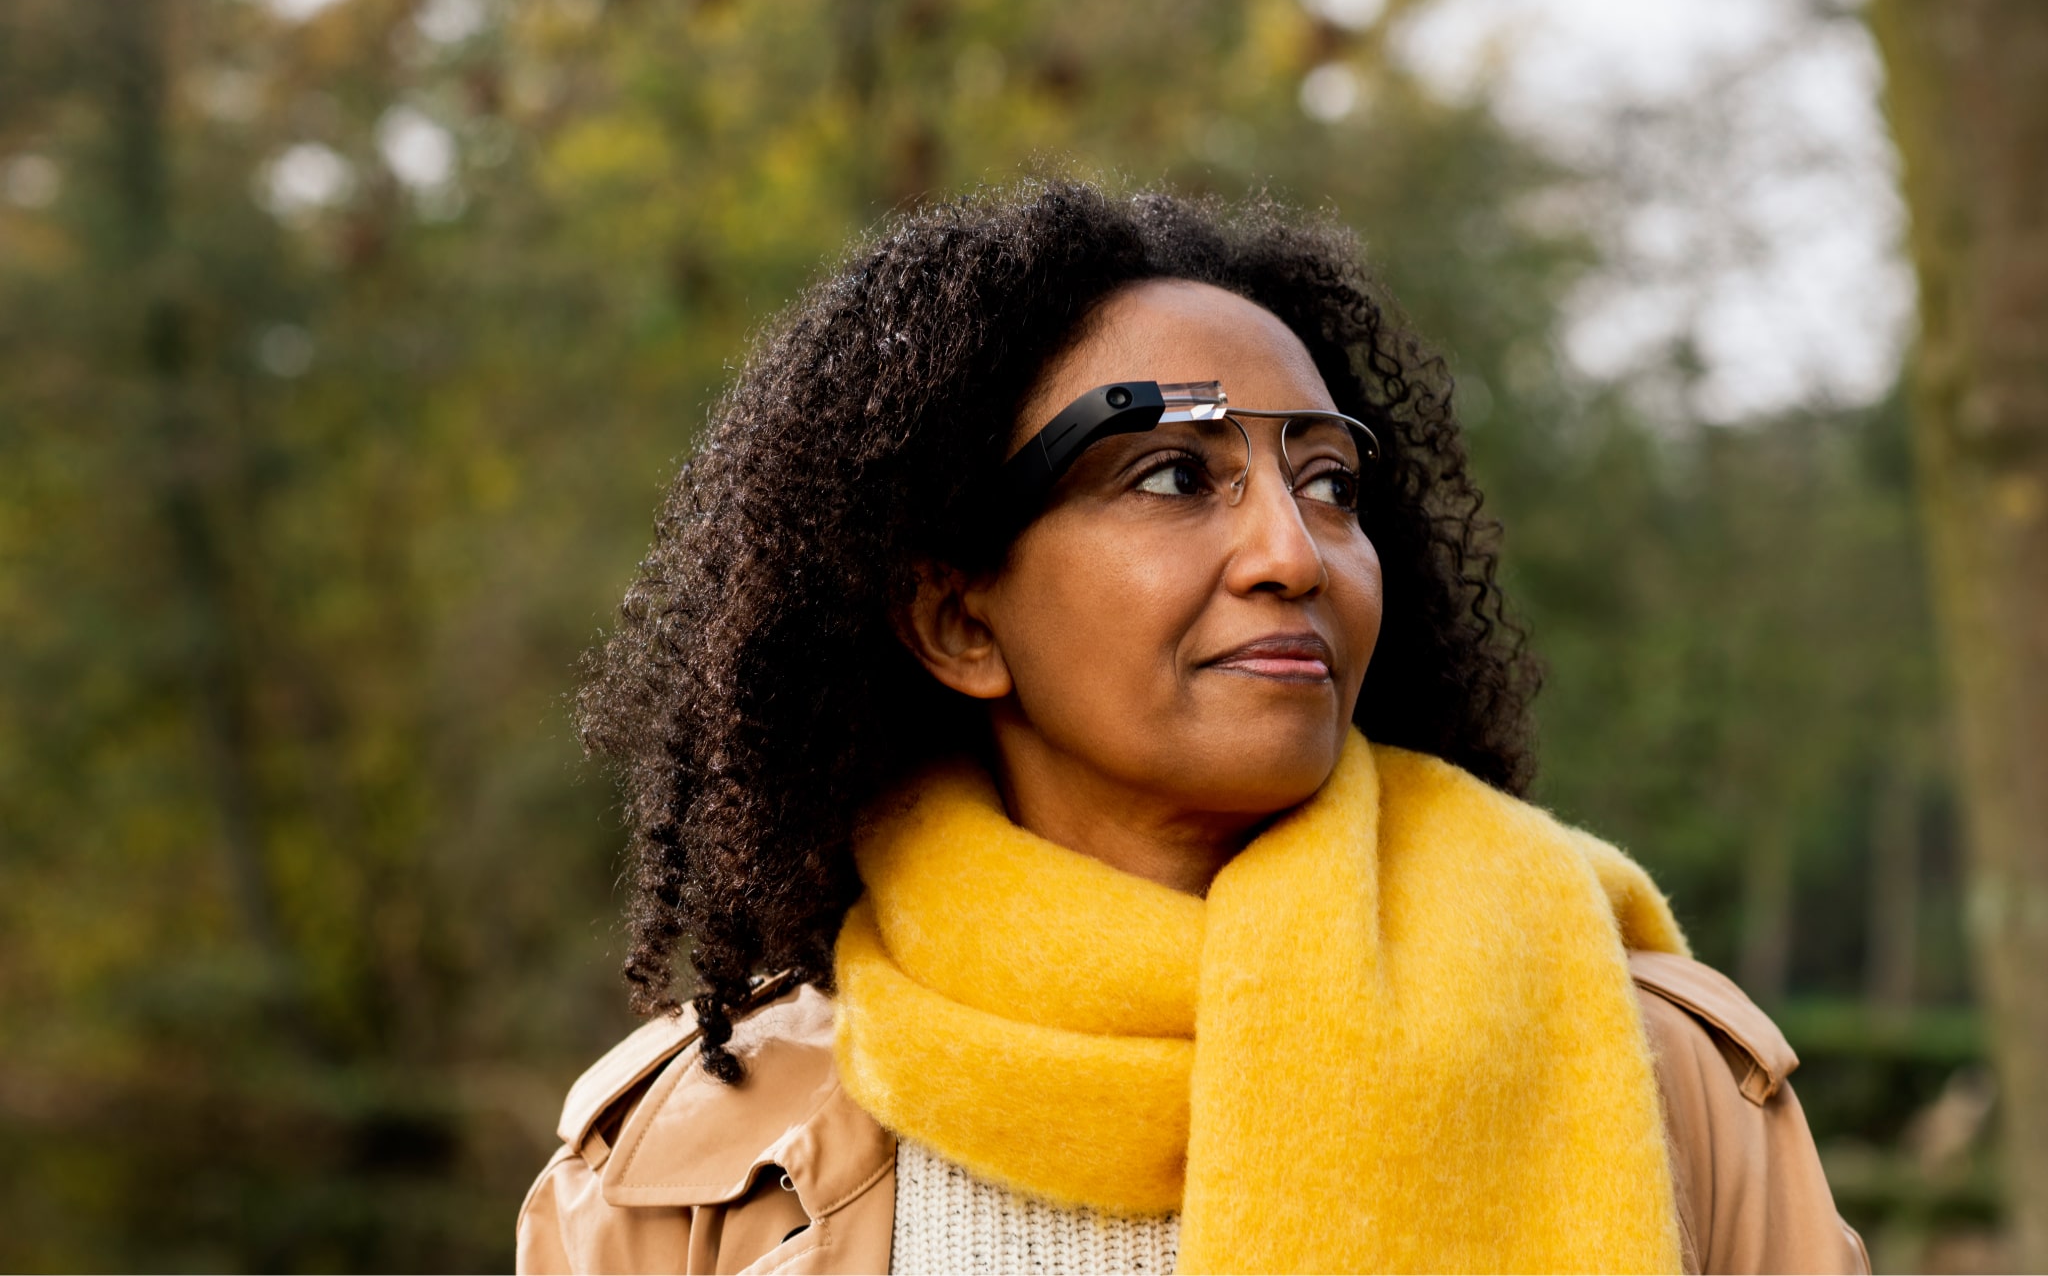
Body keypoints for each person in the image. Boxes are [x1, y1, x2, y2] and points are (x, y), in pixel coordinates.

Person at [517, 182, 1868, 1275]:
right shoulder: (681, 1164)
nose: (1296, 550)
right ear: (959, 621)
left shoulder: (1656, 1070)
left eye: (1329, 482)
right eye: (1174, 473)